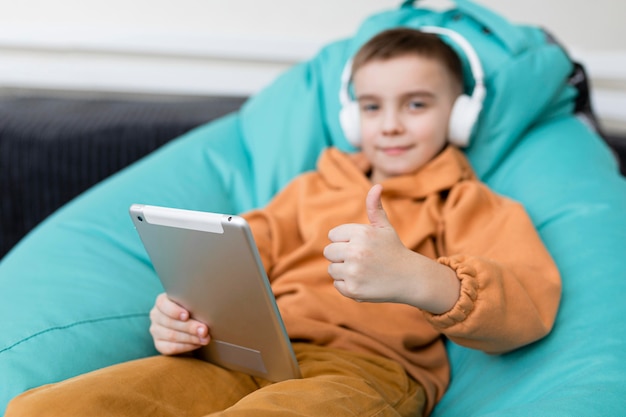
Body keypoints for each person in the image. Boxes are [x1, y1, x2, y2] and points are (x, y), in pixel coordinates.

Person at [6, 28, 561, 417]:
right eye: (372, 107)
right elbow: (235, 259)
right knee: (50, 407)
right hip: (252, 355)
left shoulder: (469, 203)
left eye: (416, 105)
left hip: (366, 373)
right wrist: (178, 313)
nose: (390, 125)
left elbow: (526, 307)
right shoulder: (311, 188)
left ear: (459, 114)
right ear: (351, 116)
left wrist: (416, 276)